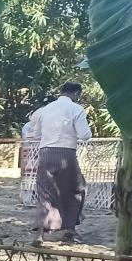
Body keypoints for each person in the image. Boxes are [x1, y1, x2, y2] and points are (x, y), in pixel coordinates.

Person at [25, 82, 92, 244]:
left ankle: (40, 235)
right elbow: (85, 135)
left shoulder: (46, 110)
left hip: (45, 155)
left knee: (45, 193)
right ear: (76, 94)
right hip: (66, 154)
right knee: (75, 190)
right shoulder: (76, 109)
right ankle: (69, 230)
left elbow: (36, 134)